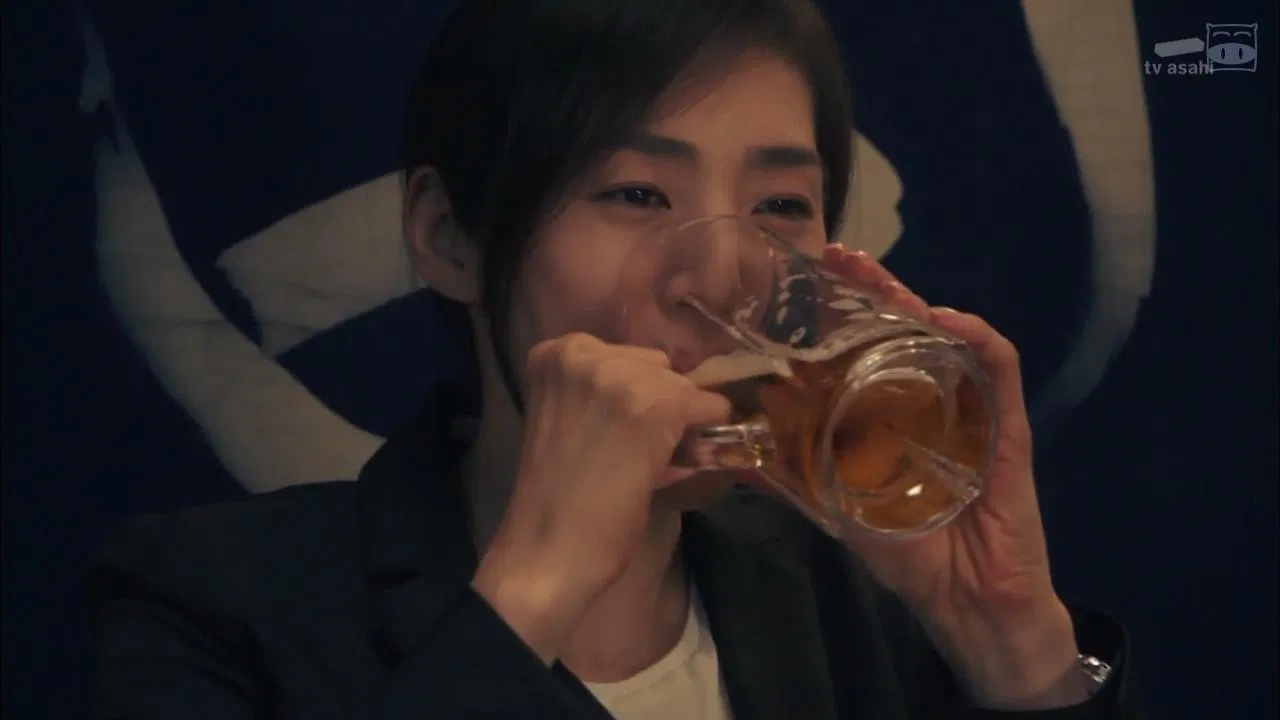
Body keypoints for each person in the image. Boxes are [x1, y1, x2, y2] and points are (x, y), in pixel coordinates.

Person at [88, 0, 1142, 717]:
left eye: (780, 206)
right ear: (450, 237)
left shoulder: (856, 606)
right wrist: (530, 593)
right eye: (636, 194)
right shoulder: (214, 603)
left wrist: (1008, 645)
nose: (719, 275)